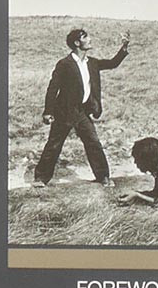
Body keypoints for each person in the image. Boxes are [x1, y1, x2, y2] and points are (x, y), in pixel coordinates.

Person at [27, 27, 129, 188]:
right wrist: (48, 111)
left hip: (82, 112)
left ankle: (103, 177)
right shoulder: (64, 64)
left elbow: (112, 63)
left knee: (93, 142)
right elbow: (53, 88)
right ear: (76, 43)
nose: (89, 39)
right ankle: (40, 178)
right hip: (64, 112)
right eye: (85, 37)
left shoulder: (92, 63)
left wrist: (124, 47)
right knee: (54, 144)